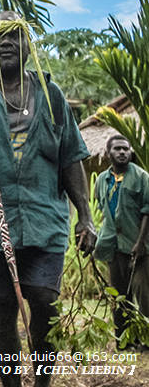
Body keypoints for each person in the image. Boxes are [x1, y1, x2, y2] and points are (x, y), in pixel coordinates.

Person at [0, 11, 96, 387]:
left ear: (29, 46)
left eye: (16, 35)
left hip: (43, 224)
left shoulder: (50, 94)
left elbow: (71, 157)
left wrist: (86, 216)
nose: (7, 42)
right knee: (2, 314)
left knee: (45, 302)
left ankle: (42, 383)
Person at [94, 134, 149, 346]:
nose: (122, 152)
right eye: (117, 149)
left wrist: (141, 242)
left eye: (126, 149)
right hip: (112, 246)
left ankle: (145, 339)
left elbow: (147, 211)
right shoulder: (101, 180)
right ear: (108, 153)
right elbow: (103, 209)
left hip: (139, 245)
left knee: (144, 295)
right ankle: (123, 341)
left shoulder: (142, 177)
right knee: (119, 296)